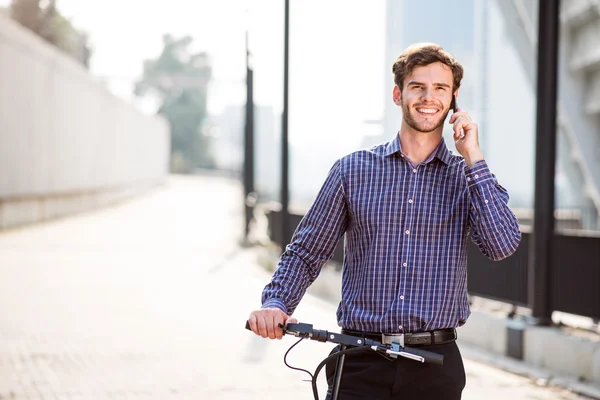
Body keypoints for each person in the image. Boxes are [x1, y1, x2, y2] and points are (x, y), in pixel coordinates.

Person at [247, 42, 521, 399]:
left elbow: (502, 245)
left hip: (435, 365)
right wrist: (276, 304)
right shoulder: (353, 171)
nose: (428, 97)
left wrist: (473, 155)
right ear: (398, 94)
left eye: (440, 88)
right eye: (417, 86)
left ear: (454, 99)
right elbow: (306, 251)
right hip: (359, 360)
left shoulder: (465, 177)